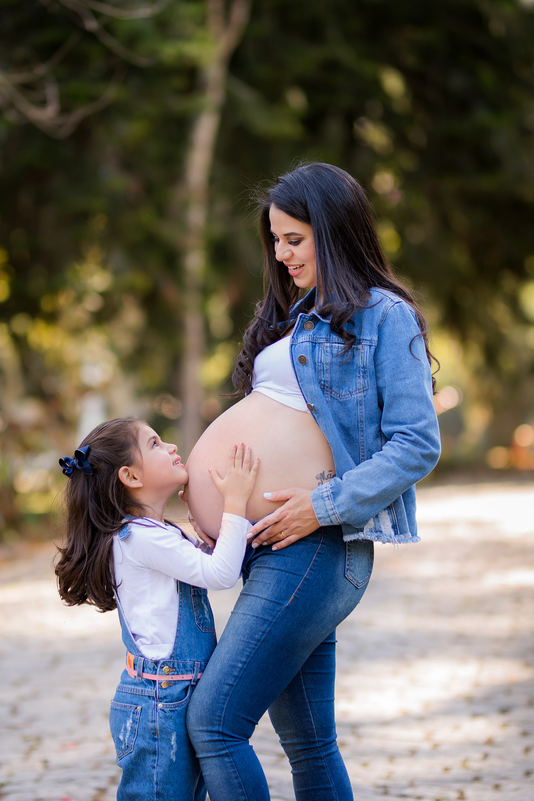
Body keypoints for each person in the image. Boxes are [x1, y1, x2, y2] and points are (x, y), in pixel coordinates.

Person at [182, 162, 441, 800]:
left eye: (295, 239)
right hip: (272, 549)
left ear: (334, 231)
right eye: (275, 240)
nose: (281, 254)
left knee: (215, 723)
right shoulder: (293, 318)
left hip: (316, 550)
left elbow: (416, 443)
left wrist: (322, 505)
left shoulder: (384, 316)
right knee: (310, 744)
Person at [54, 417, 260, 801]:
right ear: (130, 476)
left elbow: (214, 562)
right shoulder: (140, 539)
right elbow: (221, 574)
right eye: (154, 444)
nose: (170, 447)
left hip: (170, 696)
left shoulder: (156, 533)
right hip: (159, 704)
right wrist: (235, 501)